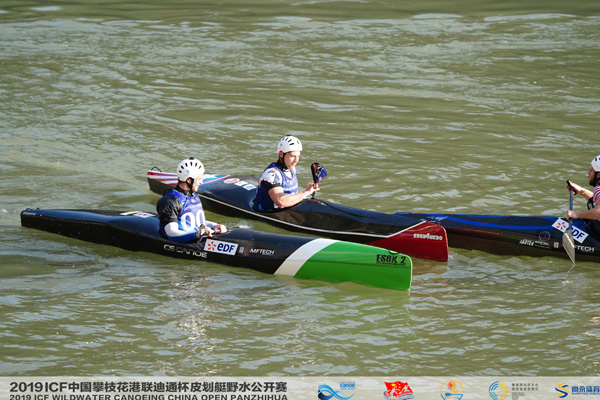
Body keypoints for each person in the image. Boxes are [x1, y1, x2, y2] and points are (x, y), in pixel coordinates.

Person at [156, 157, 227, 242]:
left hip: (195, 236)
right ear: (189, 180)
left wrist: (214, 225)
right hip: (181, 240)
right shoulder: (169, 201)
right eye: (199, 179)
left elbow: (195, 223)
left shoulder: (193, 195)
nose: (201, 182)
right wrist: (197, 234)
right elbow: (171, 233)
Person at [253, 135, 318, 211]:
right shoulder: (272, 174)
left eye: (298, 156)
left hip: (287, 210)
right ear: (281, 154)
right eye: (292, 156)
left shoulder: (292, 169)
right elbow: (281, 202)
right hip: (267, 211)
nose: (296, 160)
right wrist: (306, 192)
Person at [566, 155, 600, 238]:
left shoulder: (598, 189)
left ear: (598, 174)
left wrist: (577, 214)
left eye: (591, 171)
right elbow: (596, 200)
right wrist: (582, 191)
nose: (588, 174)